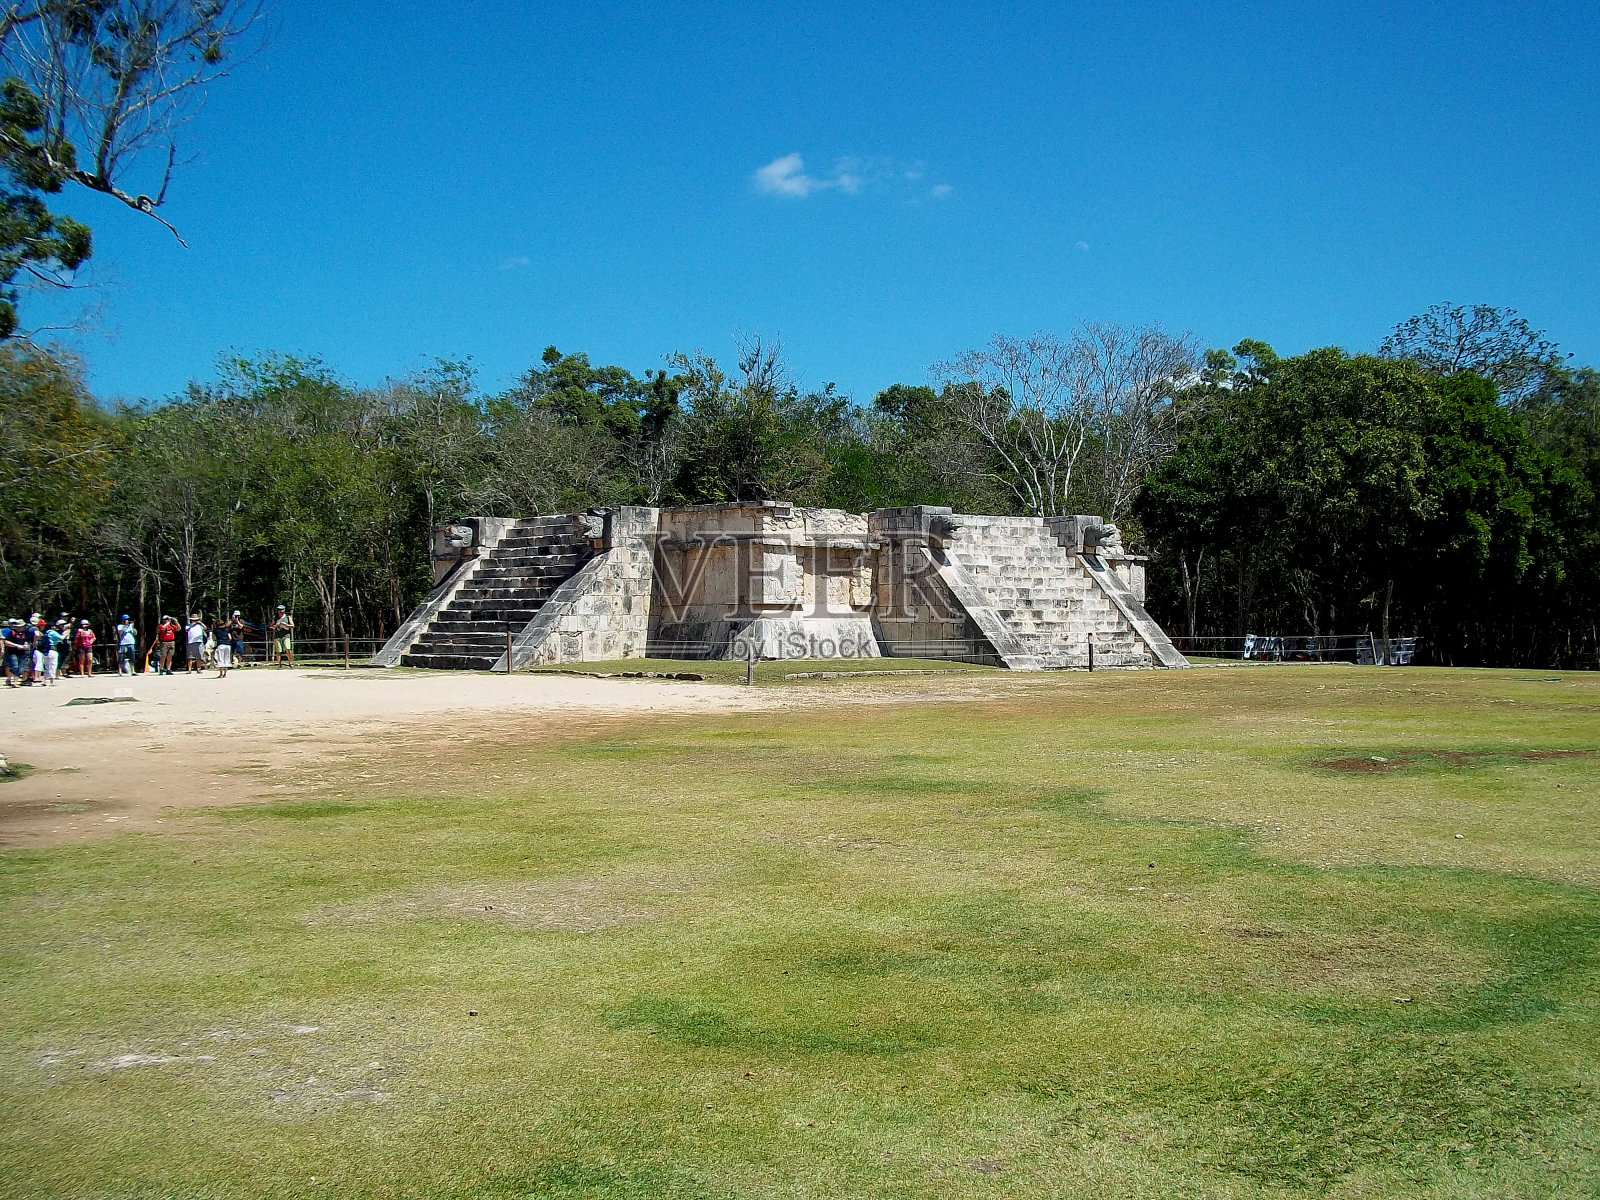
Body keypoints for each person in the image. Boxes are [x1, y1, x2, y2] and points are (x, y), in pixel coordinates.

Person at [2, 618, 27, 686]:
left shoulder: (24, 633)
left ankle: (15, 681)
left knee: (20, 667)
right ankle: (13, 681)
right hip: (13, 652)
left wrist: (25, 645)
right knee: (15, 666)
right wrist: (16, 645)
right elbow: (6, 642)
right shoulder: (12, 632)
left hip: (22, 653)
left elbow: (26, 640)